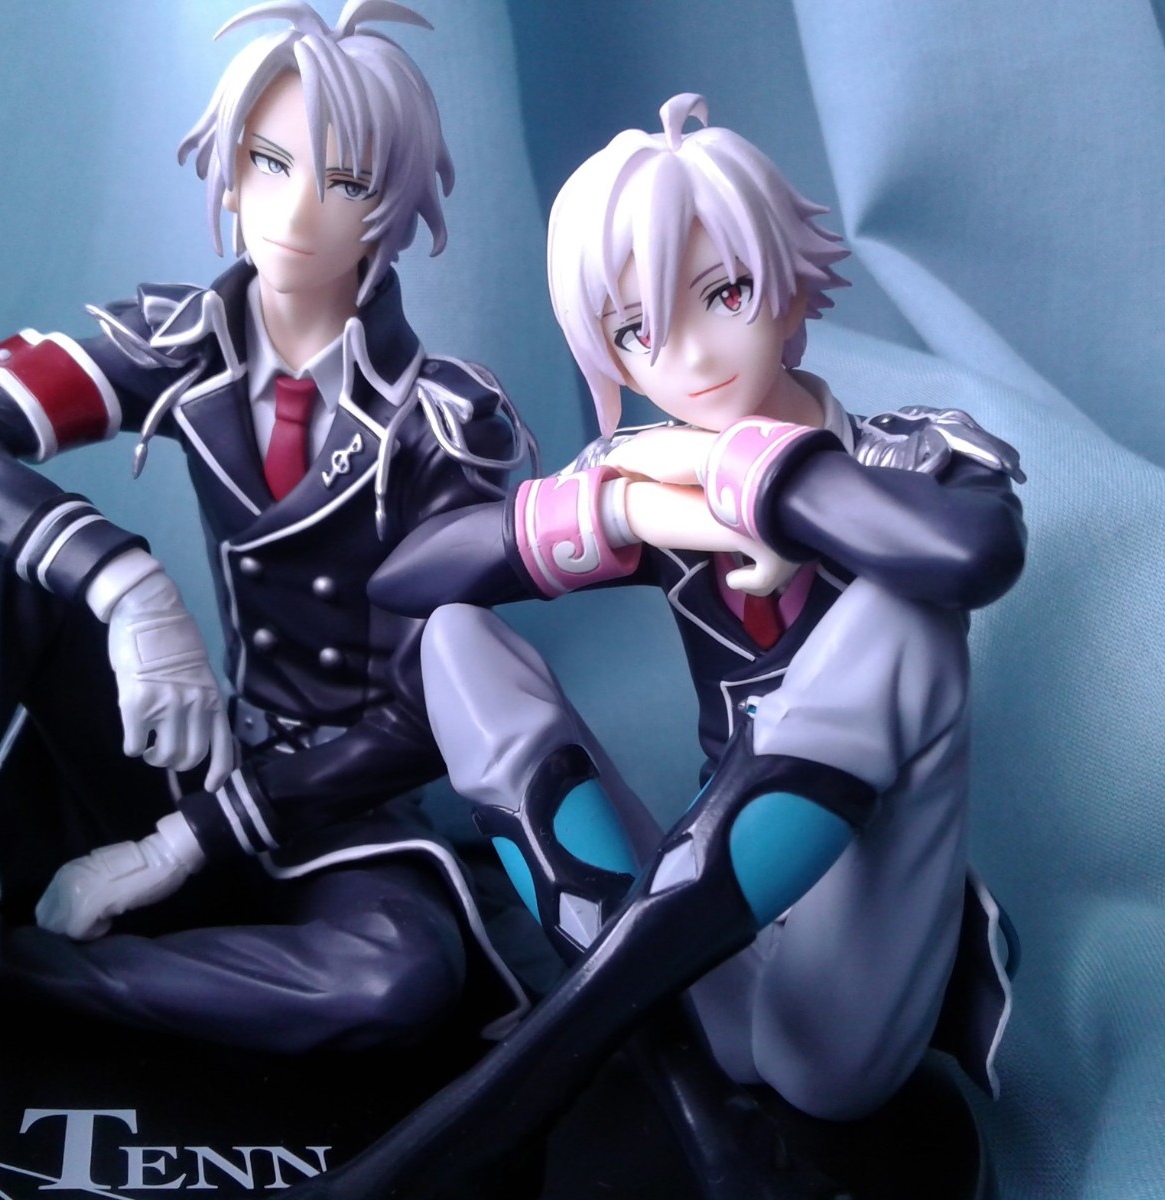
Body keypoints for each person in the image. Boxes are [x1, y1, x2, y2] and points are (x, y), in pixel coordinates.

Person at [0, 0, 533, 1149]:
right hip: (200, 752)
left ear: (389, 202)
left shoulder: (451, 423)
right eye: (268, 161)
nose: (292, 209)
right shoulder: (181, 343)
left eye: (340, 180)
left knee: (395, 988)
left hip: (341, 817)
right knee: (16, 577)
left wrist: (173, 849)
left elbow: (422, 718)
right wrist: (122, 581)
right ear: (228, 162)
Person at [293, 93, 1027, 1196]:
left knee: (905, 617)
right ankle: (688, 1103)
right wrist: (627, 508)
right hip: (686, 982)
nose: (688, 356)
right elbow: (409, 580)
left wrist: (745, 474)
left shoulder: (912, 457)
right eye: (637, 332)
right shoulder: (641, 481)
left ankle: (519, 1090)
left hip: (842, 1010)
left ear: (788, 283)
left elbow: (969, 557)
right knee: (456, 644)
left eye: (723, 294)